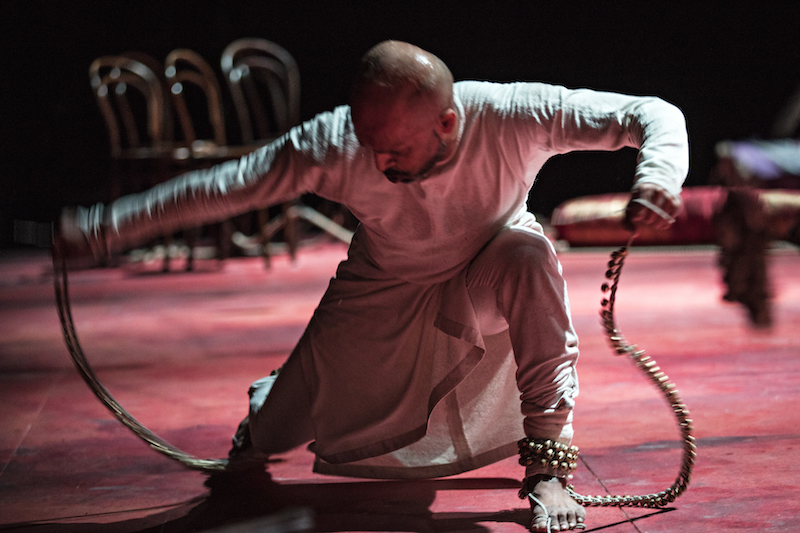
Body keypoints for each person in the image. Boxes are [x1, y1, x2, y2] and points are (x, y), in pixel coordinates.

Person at [58, 41, 688, 532]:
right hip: (381, 290)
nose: (380, 163)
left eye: (396, 149)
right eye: (370, 144)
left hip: (485, 273)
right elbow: (225, 185)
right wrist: (107, 226)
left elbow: (652, 113)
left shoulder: (512, 113)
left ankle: (548, 467)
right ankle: (263, 418)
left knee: (527, 253)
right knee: (277, 429)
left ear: (448, 122)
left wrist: (658, 176)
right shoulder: (335, 143)